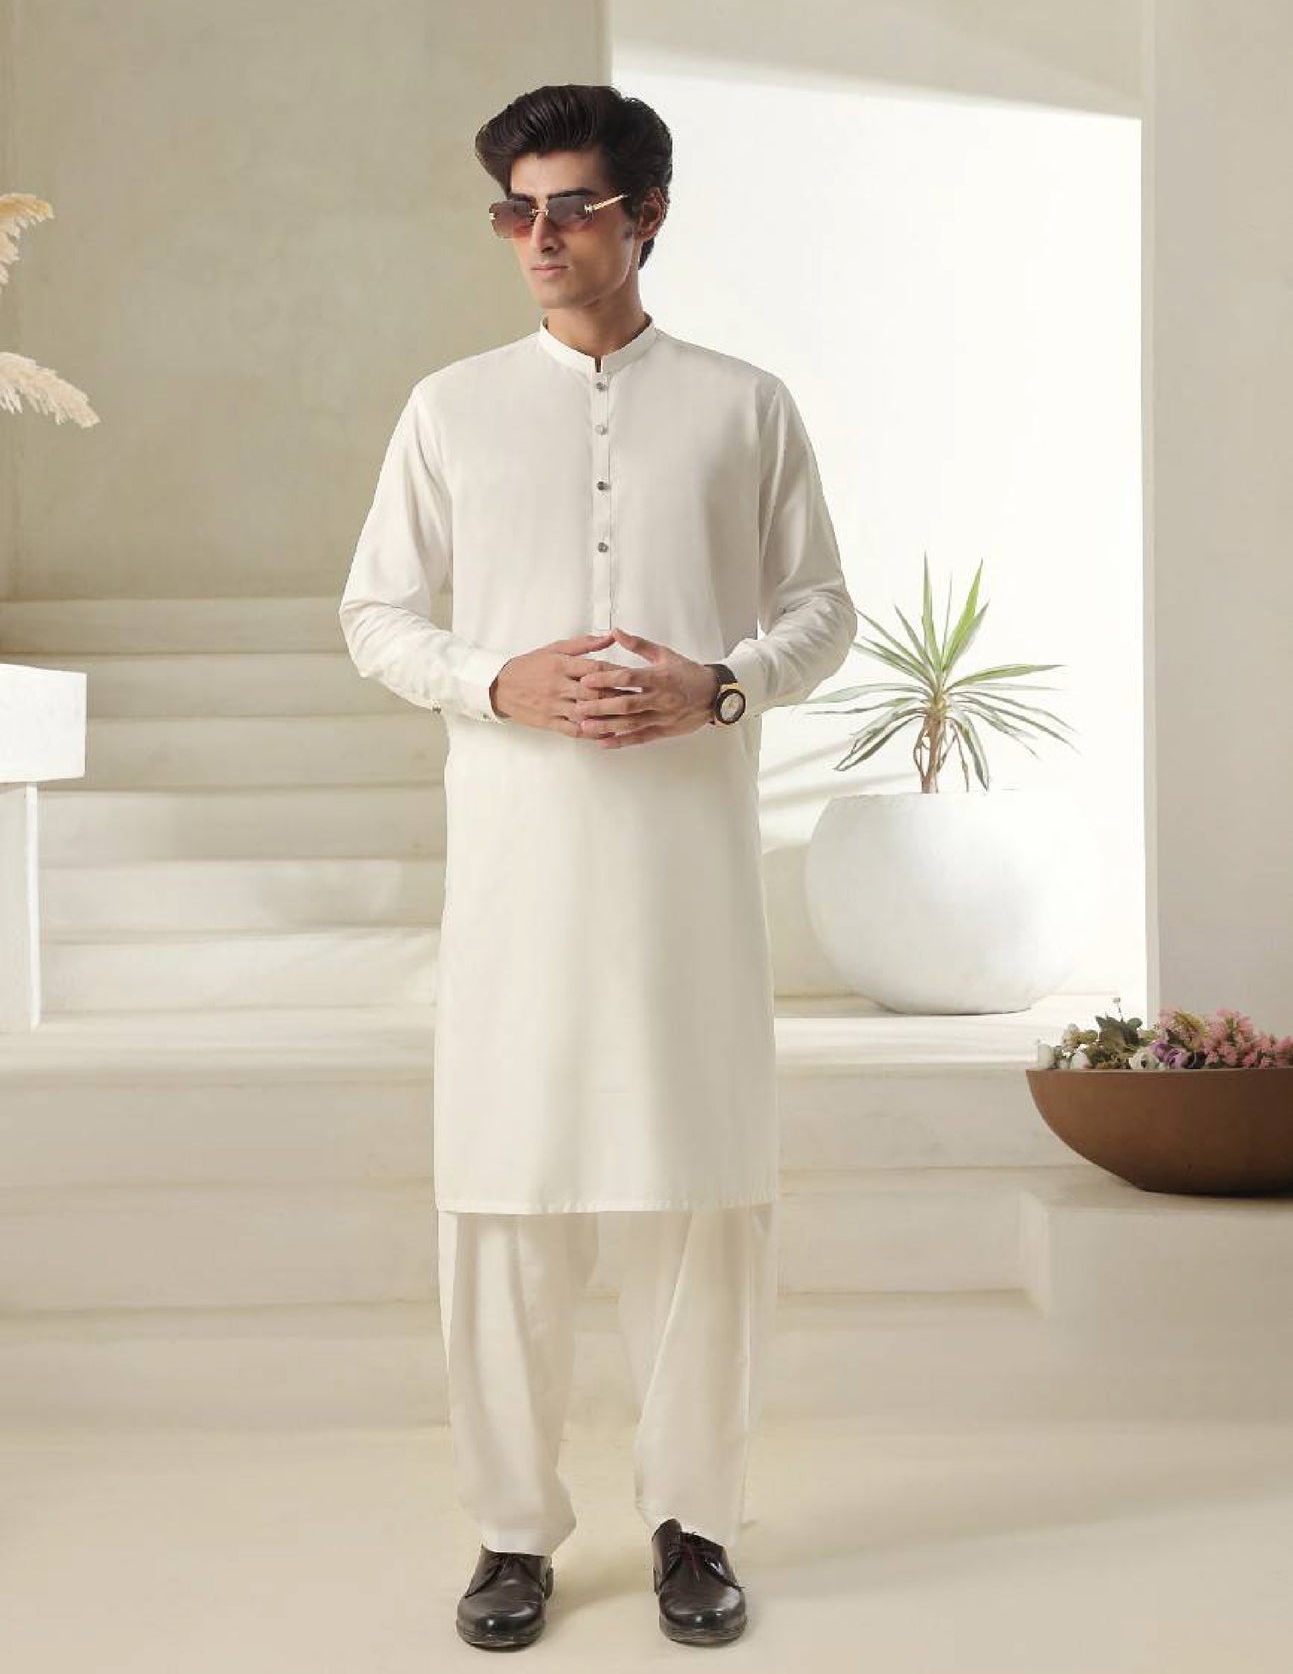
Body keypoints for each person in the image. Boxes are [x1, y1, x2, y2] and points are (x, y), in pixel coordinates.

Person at [338, 83, 856, 1651]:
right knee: (502, 1190)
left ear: (648, 215)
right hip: (519, 868)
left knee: (701, 1190)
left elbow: (820, 609)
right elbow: (376, 614)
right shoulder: (448, 408)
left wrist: (720, 685)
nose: (540, 236)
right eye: (516, 208)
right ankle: (511, 1534)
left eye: (571, 206)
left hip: (685, 870)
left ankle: (695, 1522)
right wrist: (494, 679)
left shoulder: (744, 405)